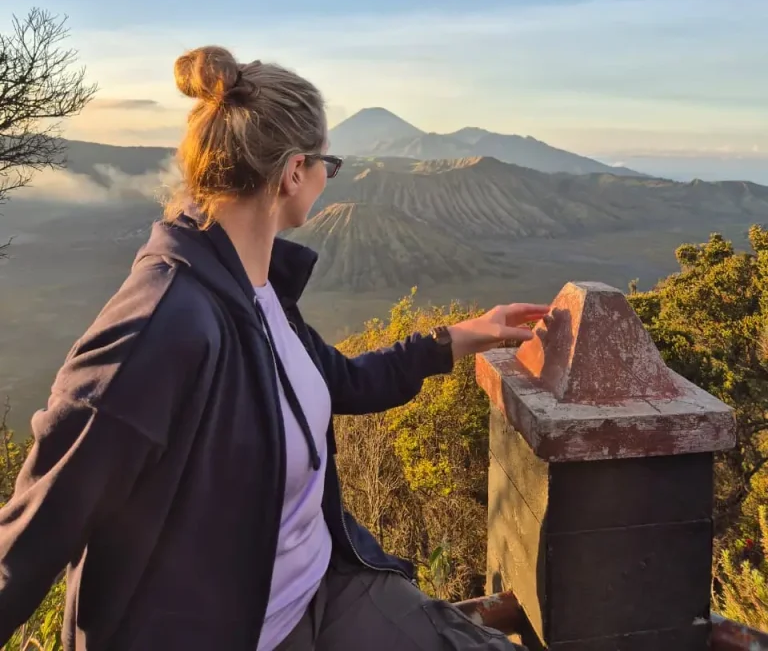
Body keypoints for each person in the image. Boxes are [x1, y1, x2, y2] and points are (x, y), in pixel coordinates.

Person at [0, 46, 549, 651]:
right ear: (293, 172)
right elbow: (38, 526)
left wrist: (457, 338)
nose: (326, 177)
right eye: (328, 164)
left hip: (324, 584)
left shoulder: (258, 289)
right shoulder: (165, 322)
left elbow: (338, 380)